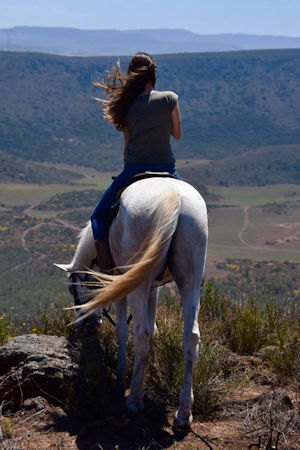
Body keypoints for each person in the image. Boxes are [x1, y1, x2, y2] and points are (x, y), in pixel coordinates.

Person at [91, 52, 182, 271]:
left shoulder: (125, 106)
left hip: (135, 169)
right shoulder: (170, 99)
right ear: (154, 74)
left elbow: (127, 145)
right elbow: (177, 134)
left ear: (131, 75)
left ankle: (106, 265)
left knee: (99, 216)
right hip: (167, 168)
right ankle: (195, 271)